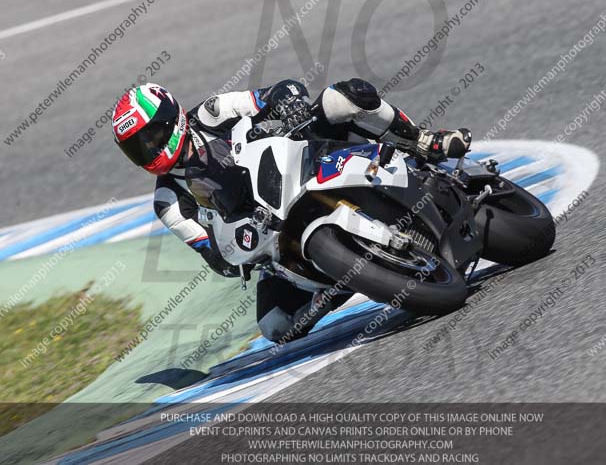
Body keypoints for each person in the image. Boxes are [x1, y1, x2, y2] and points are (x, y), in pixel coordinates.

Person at [111, 78, 471, 343]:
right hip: (270, 234)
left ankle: (421, 141)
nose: (148, 151)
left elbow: (279, 91)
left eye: (151, 137)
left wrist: (289, 103)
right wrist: (232, 253)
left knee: (340, 98)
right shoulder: (168, 201)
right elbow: (213, 255)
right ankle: (335, 281)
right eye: (136, 149)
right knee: (275, 325)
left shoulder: (212, 113)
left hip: (302, 161)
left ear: (171, 118)